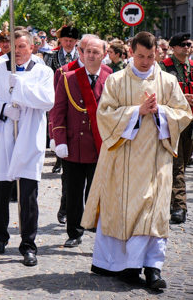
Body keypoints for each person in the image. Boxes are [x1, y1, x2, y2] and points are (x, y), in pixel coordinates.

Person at [81, 31, 192, 289]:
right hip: (123, 161)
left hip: (156, 160)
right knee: (124, 212)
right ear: (131, 52)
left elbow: (183, 114)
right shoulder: (117, 81)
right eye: (141, 56)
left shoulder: (167, 81)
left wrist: (161, 112)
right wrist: (136, 112)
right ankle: (125, 265)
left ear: (156, 54)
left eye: (150, 57)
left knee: (153, 214)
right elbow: (104, 114)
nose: (145, 61)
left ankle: (153, 267)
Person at [0, 30, 54, 266]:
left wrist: (20, 87)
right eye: (15, 46)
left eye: (23, 46)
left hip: (30, 137)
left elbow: (47, 100)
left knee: (28, 194)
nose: (18, 51)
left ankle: (28, 245)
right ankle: (0, 237)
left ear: (32, 48)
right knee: (0, 190)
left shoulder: (43, 71)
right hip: (5, 135)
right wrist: (2, 109)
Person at [50, 38, 111, 248]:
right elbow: (57, 111)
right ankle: (74, 232)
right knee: (73, 192)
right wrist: (59, 140)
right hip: (73, 146)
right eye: (87, 51)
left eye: (96, 52)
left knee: (98, 191)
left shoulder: (111, 77)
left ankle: (99, 230)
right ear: (81, 53)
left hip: (99, 146)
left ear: (104, 53)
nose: (91, 55)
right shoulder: (68, 77)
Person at [159, 32, 193, 225]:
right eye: (183, 44)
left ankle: (171, 200)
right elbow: (159, 92)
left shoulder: (192, 67)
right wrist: (180, 97)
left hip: (190, 122)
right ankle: (179, 207)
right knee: (177, 165)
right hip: (172, 122)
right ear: (173, 47)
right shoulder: (163, 67)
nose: (187, 47)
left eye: (189, 44)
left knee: (184, 163)